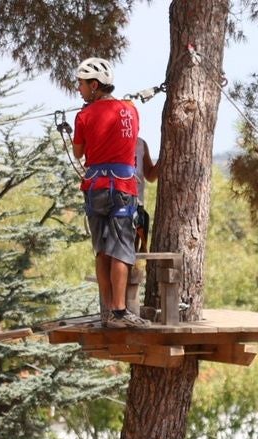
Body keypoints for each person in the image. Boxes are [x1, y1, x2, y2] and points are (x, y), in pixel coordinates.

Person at [71, 57, 148, 329]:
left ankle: (108, 313)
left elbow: (78, 154)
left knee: (102, 251)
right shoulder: (130, 109)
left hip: (95, 188)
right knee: (121, 250)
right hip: (123, 186)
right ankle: (119, 312)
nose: (78, 89)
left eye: (81, 84)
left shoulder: (83, 116)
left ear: (94, 85)